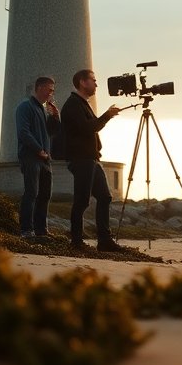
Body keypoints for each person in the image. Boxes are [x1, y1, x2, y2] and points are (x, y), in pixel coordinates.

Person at [61, 69, 123, 251]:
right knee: (82, 201)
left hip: (92, 159)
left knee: (105, 197)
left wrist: (106, 117)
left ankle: (104, 241)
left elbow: (92, 127)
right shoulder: (73, 104)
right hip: (80, 159)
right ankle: (77, 242)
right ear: (82, 82)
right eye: (93, 80)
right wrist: (107, 116)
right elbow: (88, 128)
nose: (96, 84)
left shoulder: (82, 103)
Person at [15, 76, 61, 239]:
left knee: (44, 195)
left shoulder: (42, 109)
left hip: (44, 159)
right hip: (31, 157)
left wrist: (55, 116)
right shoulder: (25, 106)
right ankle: (26, 230)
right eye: (50, 89)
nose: (52, 93)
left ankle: (41, 230)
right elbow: (23, 132)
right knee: (31, 193)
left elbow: (51, 132)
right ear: (40, 88)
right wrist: (38, 149)